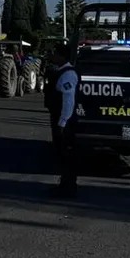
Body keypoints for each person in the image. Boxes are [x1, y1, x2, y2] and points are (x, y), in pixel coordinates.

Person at [48, 46, 80, 197]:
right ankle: (65, 183)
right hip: (60, 118)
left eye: (56, 54)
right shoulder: (60, 71)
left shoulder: (68, 74)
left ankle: (69, 185)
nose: (53, 57)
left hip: (65, 121)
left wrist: (62, 123)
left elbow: (68, 101)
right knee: (60, 154)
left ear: (63, 57)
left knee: (66, 154)